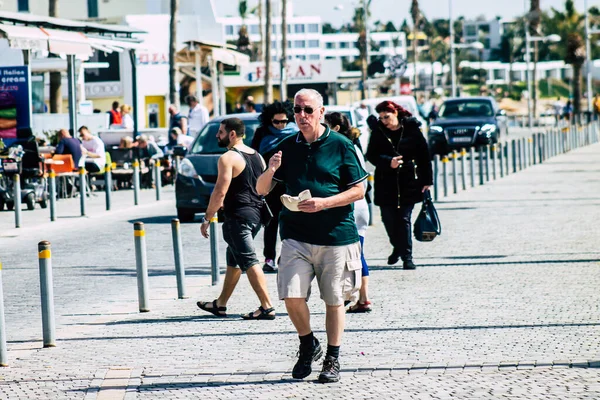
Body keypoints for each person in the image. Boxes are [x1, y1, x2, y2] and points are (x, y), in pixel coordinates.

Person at [256, 89, 368, 383]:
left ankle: (332, 358)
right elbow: (262, 189)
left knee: (334, 301)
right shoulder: (286, 146)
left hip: (336, 235)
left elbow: (360, 190)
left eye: (307, 110)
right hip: (295, 235)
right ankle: (308, 344)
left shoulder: (342, 145)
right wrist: (271, 169)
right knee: (291, 296)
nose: (301, 116)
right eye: (297, 110)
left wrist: (324, 203)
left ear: (321, 112)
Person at [197, 118, 276, 321]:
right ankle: (220, 304)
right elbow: (264, 188)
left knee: (248, 260)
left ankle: (267, 306)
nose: (217, 135)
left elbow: (219, 192)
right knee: (234, 259)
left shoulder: (228, 158)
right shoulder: (257, 156)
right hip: (256, 215)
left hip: (238, 217)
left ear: (232, 134)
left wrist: (207, 217)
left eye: (220, 132)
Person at [365, 100, 432, 270]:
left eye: (387, 117)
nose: (384, 121)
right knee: (388, 219)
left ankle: (407, 257)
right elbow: (371, 155)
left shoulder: (412, 129)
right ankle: (397, 247)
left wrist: (427, 181)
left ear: (396, 113)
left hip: (408, 181)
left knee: (404, 219)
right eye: (381, 118)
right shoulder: (378, 132)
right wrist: (388, 162)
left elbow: (424, 155)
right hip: (385, 181)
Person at [324, 112, 371, 313]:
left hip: (350, 206)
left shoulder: (340, 146)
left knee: (350, 255)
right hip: (359, 206)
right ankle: (362, 298)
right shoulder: (353, 146)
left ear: (335, 128)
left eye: (324, 124)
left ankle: (355, 296)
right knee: (357, 253)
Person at [250, 100, 299, 273]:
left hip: (290, 184)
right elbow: (254, 156)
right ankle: (269, 258)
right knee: (271, 222)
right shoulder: (262, 133)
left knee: (290, 221)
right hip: (270, 183)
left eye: (284, 121)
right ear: (269, 120)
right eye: (276, 122)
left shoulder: (296, 133)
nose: (280, 125)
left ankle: (285, 256)